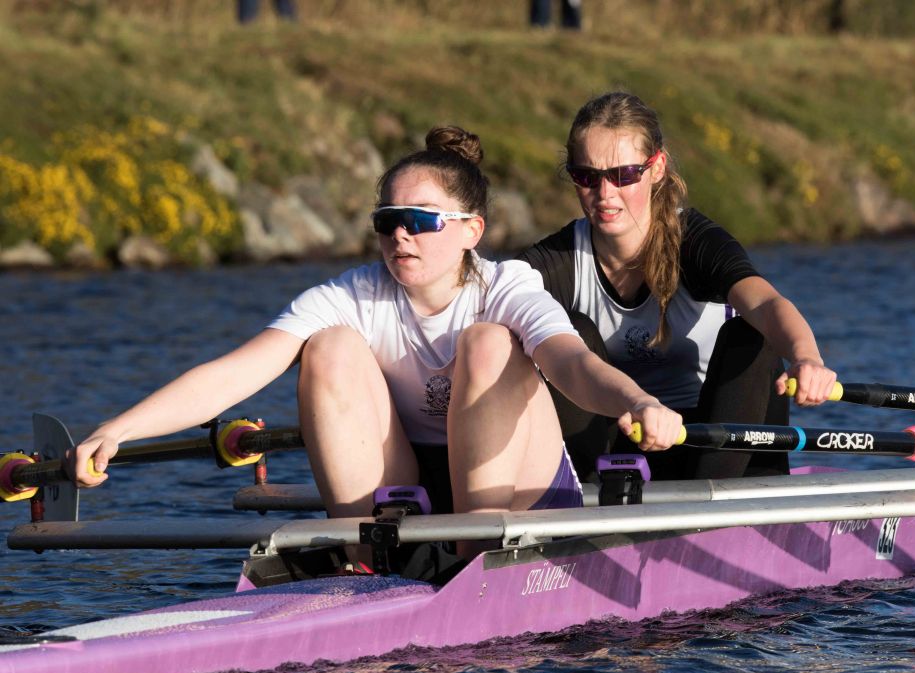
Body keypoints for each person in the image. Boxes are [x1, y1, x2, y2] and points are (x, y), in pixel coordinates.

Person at [67, 125, 682, 561]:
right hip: (405, 495)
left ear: (472, 231)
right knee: (328, 347)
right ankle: (367, 558)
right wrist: (118, 430)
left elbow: (572, 364)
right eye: (387, 221)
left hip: (518, 499)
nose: (400, 236)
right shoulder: (353, 294)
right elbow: (237, 372)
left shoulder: (508, 287)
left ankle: (480, 558)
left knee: (489, 343)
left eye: (421, 220)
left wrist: (638, 402)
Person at [519, 92, 837, 482]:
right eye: (587, 177)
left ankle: (718, 503)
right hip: (618, 449)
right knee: (560, 329)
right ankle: (584, 497)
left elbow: (766, 304)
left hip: (719, 448)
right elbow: (484, 309)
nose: (604, 194)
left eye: (623, 175)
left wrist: (807, 358)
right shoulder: (557, 259)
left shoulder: (696, 242)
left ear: (656, 168)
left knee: (751, 334)